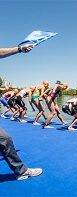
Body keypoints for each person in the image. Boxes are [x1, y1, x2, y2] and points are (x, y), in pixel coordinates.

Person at [0, 44, 42, 180]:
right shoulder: (26, 91)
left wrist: (18, 49)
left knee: (4, 139)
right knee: (4, 139)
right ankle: (21, 171)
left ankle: (21, 171)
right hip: (13, 100)